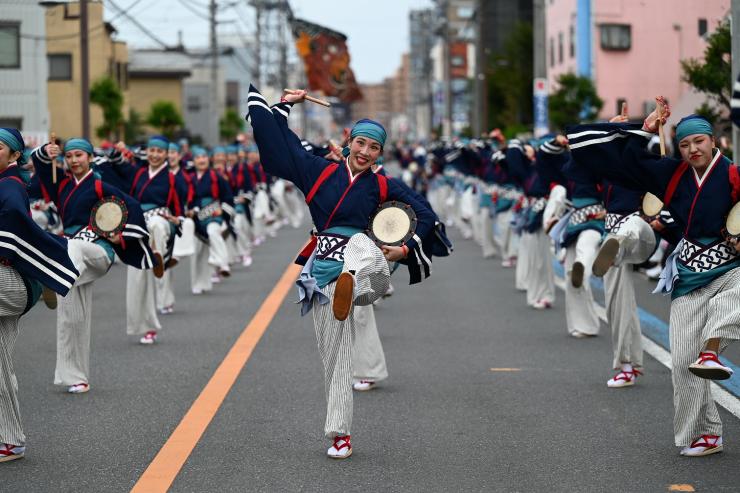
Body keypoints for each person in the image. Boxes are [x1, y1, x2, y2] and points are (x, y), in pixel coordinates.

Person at [248, 86, 438, 459]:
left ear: (381, 153)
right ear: (348, 142)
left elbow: (426, 215)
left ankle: (354, 281)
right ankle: (340, 433)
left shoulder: (384, 185)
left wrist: (403, 248)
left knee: (362, 252)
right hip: (322, 271)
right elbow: (280, 142)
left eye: (374, 148)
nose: (365, 152)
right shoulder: (318, 171)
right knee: (335, 357)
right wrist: (285, 104)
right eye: (361, 143)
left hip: (366, 262)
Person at [568, 97, 740, 456]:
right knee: (681, 362)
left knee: (732, 301)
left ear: (713, 141)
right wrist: (638, 130)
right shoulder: (671, 174)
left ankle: (712, 349)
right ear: (677, 148)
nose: (693, 149)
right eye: (684, 144)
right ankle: (705, 434)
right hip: (689, 273)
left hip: (729, 267)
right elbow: (629, 164)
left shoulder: (734, 174)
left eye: (699, 141)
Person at [33, 138, 154, 394]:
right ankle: (75, 377)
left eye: (79, 155)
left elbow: (131, 206)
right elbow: (41, 166)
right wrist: (46, 152)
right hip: (72, 259)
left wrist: (120, 236)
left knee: (71, 248)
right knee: (70, 315)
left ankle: (54, 278)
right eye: (69, 156)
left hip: (99, 252)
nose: (74, 160)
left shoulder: (101, 185)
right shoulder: (62, 186)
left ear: (89, 157)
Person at [0, 128, 79, 463]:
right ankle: (11, 440)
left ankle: (43, 277)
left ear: (14, 155)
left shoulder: (10, 187)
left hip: (12, 283)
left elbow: (14, 226)